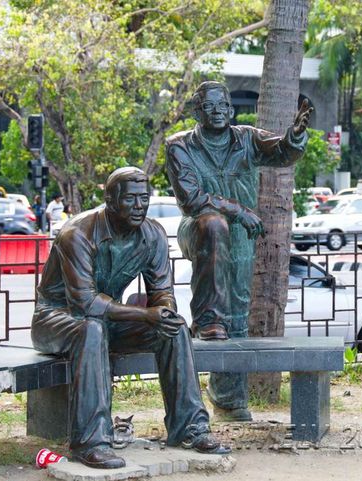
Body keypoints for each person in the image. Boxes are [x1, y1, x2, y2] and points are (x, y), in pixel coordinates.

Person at [31, 167, 228, 469]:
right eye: (131, 199)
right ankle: (90, 441)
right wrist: (145, 314)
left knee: (174, 331)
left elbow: (162, 290)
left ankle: (189, 428)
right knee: (91, 329)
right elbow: (84, 303)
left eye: (144, 199)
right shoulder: (78, 235)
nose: (139, 206)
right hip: (57, 319)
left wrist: (164, 312)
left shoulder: (153, 234)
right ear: (110, 201)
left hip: (104, 319)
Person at [166, 81, 312, 422]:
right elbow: (191, 198)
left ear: (231, 110)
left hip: (242, 235)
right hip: (198, 228)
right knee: (214, 225)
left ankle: (230, 401)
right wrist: (239, 211)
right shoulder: (179, 147)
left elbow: (280, 152)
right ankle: (205, 319)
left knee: (238, 309)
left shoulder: (247, 137)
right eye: (210, 106)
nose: (218, 112)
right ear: (197, 111)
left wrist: (295, 135)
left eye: (223, 106)